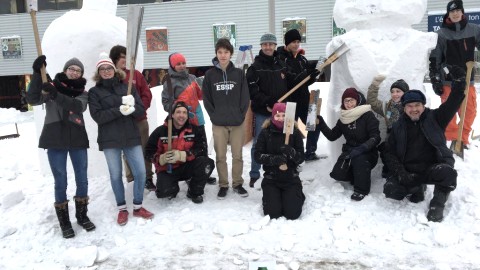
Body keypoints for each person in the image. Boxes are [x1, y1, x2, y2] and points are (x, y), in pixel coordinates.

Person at [383, 66, 466, 222]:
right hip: (409, 170)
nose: (414, 109)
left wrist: (459, 82)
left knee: (448, 173)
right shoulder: (398, 126)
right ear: (404, 108)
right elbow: (389, 152)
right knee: (391, 190)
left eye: (417, 105)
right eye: (409, 106)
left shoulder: (436, 118)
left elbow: (453, 102)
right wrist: (400, 172)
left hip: (432, 167)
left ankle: (438, 203)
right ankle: (416, 188)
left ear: (423, 105)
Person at [26, 55, 95, 238]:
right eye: (71, 69)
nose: (74, 72)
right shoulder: (50, 87)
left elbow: (77, 107)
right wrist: (35, 74)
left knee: (82, 178)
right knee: (60, 180)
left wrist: (55, 94)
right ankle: (64, 222)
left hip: (77, 139)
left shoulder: (83, 93)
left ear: (81, 74)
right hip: (55, 138)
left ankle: (82, 216)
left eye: (77, 70)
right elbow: (32, 99)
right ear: (65, 71)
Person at [88, 52, 154, 226]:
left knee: (140, 172)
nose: (107, 71)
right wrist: (120, 110)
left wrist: (132, 107)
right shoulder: (94, 92)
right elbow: (98, 116)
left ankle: (138, 206)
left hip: (130, 136)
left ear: (114, 70)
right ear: (98, 72)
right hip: (110, 140)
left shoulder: (127, 88)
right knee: (116, 175)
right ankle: (122, 209)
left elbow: (140, 110)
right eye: (103, 69)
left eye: (109, 68)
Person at [202, 38, 250, 199]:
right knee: (220, 156)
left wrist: (240, 115)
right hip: (219, 123)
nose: (223, 55)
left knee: (237, 155)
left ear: (231, 54)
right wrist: (214, 116)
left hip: (237, 122)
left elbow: (245, 97)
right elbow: (207, 99)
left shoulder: (238, 74)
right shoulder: (209, 75)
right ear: (216, 53)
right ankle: (223, 184)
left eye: (226, 52)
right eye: (220, 52)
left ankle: (237, 183)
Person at [429, 0, 480, 148]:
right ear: (448, 14)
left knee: (469, 111)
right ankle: (451, 139)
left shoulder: (474, 30)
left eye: (458, 10)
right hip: (448, 80)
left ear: (462, 11)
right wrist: (435, 78)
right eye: (452, 11)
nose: (455, 13)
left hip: (467, 79)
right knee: (449, 113)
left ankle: (462, 139)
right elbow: (435, 58)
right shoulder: (441, 34)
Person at [161, 52, 216, 185]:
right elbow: (166, 103)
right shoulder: (169, 81)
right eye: (178, 64)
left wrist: (205, 86)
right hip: (182, 119)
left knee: (201, 144)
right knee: (187, 146)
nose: (181, 66)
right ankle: (188, 172)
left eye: (183, 63)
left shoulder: (192, 77)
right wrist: (180, 108)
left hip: (197, 115)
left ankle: (204, 170)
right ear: (173, 66)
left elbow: (201, 96)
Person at [145, 101, 215, 204]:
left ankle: (194, 190)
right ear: (172, 115)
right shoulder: (160, 131)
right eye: (178, 112)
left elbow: (201, 149)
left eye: (184, 112)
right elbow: (148, 153)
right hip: (168, 169)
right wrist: (160, 158)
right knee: (164, 193)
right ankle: (171, 186)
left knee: (207, 163)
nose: (181, 115)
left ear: (187, 115)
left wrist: (184, 155)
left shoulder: (193, 130)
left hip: (187, 166)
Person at [317, 88, 380, 201]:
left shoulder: (367, 115)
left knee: (360, 160)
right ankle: (357, 175)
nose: (349, 103)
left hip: (368, 153)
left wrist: (362, 148)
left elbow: (376, 137)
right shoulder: (343, 118)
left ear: (357, 101)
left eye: (351, 100)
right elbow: (332, 136)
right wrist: (320, 123)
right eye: (346, 101)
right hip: (349, 152)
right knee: (337, 174)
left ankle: (361, 190)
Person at [109, 45, 155, 191]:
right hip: (122, 122)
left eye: (126, 57)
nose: (125, 60)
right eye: (122, 57)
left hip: (139, 120)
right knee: (127, 150)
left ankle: (148, 177)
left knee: (144, 148)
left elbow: (146, 94)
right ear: (115, 59)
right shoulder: (110, 77)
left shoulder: (135, 75)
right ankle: (132, 177)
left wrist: (138, 110)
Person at [246, 33, 289, 188]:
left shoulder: (282, 64)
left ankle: (280, 168)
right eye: (265, 44)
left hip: (282, 113)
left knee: (283, 141)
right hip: (263, 112)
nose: (268, 47)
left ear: (275, 45)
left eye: (271, 44)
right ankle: (255, 174)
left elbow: (290, 84)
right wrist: (268, 103)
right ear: (261, 46)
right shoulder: (255, 67)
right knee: (258, 143)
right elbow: (252, 90)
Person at [254, 103, 305, 220]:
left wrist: (292, 153)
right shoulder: (265, 132)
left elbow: (301, 157)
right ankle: (272, 197)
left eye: (284, 115)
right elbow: (257, 155)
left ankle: (297, 195)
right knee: (273, 214)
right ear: (273, 117)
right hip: (272, 179)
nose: (281, 118)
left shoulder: (295, 132)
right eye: (278, 116)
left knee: (292, 214)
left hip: (290, 178)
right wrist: (273, 159)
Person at [277, 28, 322, 161]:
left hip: (305, 99)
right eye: (293, 42)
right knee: (291, 130)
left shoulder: (302, 59)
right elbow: (291, 81)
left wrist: (313, 75)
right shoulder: (281, 59)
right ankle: (295, 155)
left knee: (315, 124)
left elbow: (305, 82)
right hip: (290, 102)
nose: (296, 44)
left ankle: (310, 152)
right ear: (286, 43)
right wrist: (307, 73)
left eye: (298, 42)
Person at [367, 76, 409, 177]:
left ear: (405, 93)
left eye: (398, 91)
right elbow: (372, 101)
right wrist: (375, 84)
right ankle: (389, 170)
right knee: (385, 149)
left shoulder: (411, 106)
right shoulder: (387, 107)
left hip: (407, 139)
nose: (395, 94)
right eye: (393, 91)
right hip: (391, 138)